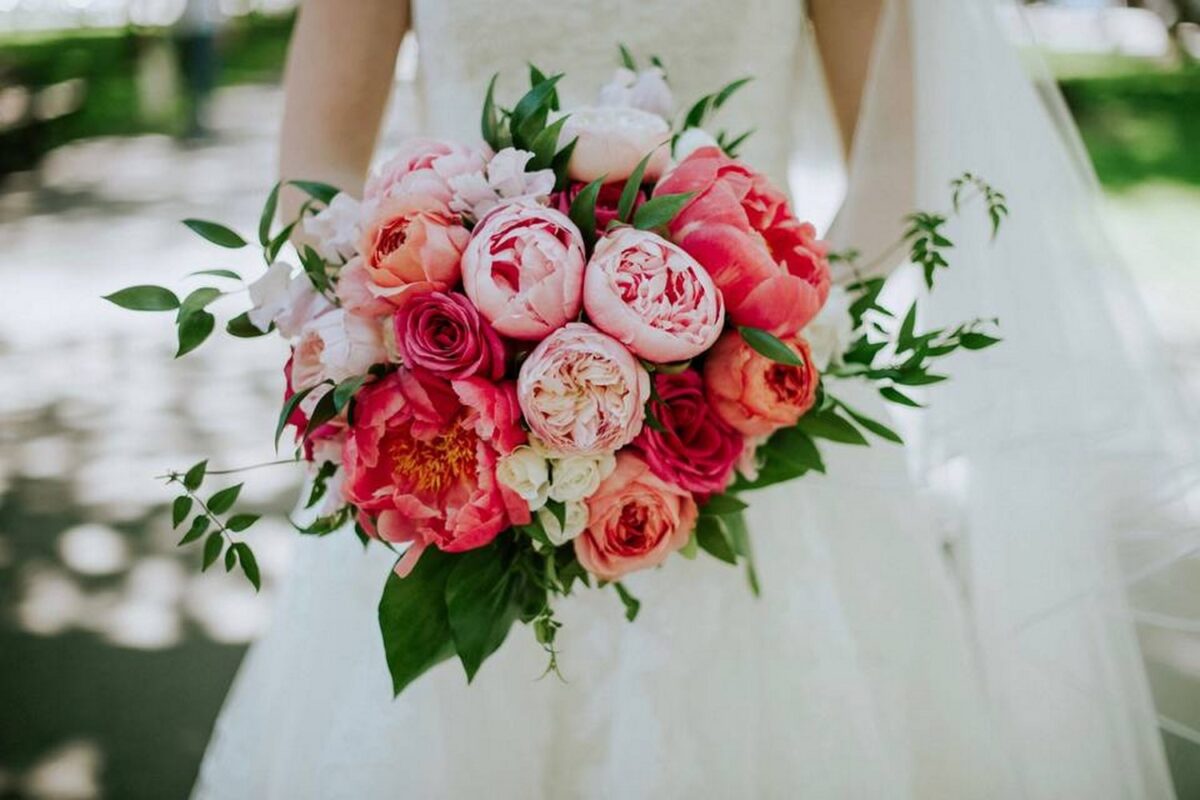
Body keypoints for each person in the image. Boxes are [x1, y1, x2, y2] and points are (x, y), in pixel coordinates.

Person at [194, 1, 1197, 797]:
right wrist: (414, 334)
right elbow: (315, 165)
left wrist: (751, 356)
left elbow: (896, 153)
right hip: (454, 416)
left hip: (749, 442)